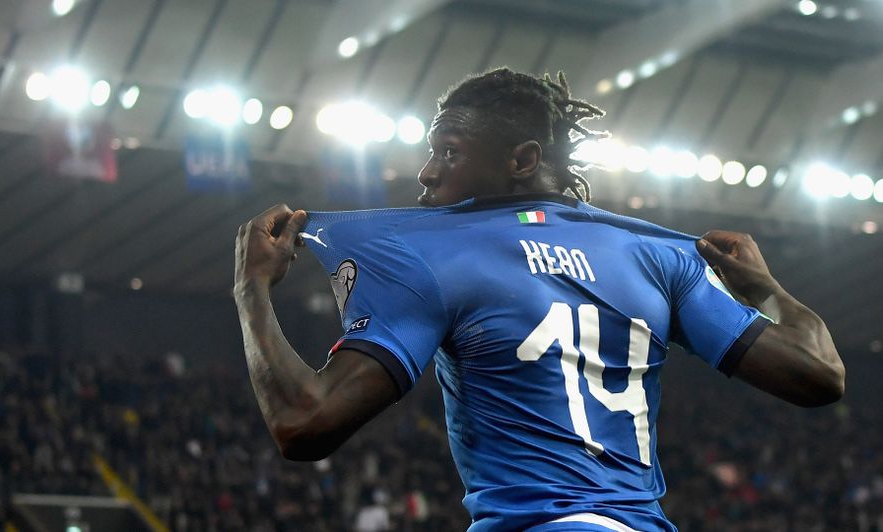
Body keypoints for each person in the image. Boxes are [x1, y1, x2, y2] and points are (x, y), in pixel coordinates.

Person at [233, 68, 844, 531]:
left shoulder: (434, 258)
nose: (426, 173)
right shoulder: (655, 258)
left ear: (522, 159)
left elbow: (303, 424)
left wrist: (252, 288)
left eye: (448, 151)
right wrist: (767, 289)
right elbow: (819, 374)